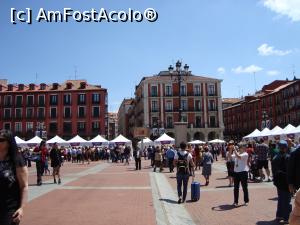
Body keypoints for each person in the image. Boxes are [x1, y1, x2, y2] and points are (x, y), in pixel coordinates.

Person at [0, 129, 28, 225]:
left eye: (1, 140)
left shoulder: (17, 160)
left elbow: (24, 186)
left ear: (9, 143)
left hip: (9, 209)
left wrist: (21, 208)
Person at [272, 140, 291, 224]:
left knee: (280, 198)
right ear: (285, 148)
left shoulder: (275, 156)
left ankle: (279, 215)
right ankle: (286, 217)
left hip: (278, 181)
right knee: (286, 200)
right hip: (285, 181)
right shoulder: (286, 157)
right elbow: (288, 171)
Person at [232, 142, 249, 207]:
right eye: (239, 147)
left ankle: (246, 201)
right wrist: (231, 149)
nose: (239, 148)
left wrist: (234, 149)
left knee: (244, 187)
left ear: (244, 148)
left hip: (243, 172)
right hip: (236, 172)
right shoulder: (237, 153)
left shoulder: (245, 154)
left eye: (241, 147)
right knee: (236, 188)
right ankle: (235, 201)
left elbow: (238, 157)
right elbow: (230, 157)